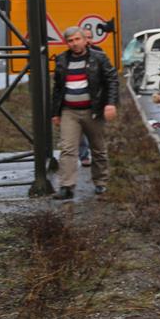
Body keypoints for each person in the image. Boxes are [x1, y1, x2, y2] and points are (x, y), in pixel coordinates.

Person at [50, 25, 119, 200]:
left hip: (92, 111)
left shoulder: (99, 58)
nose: (74, 43)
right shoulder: (62, 60)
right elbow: (58, 88)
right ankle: (66, 187)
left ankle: (101, 183)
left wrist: (110, 104)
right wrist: (55, 113)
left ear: (85, 39)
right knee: (67, 149)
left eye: (77, 39)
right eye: (70, 41)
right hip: (69, 111)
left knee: (98, 148)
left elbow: (112, 79)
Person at [78, 26, 104, 167]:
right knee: (80, 130)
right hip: (78, 99)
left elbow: (107, 76)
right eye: (85, 37)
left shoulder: (99, 53)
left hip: (95, 99)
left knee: (95, 131)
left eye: (90, 37)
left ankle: (97, 156)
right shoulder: (72, 55)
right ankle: (84, 156)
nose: (87, 40)